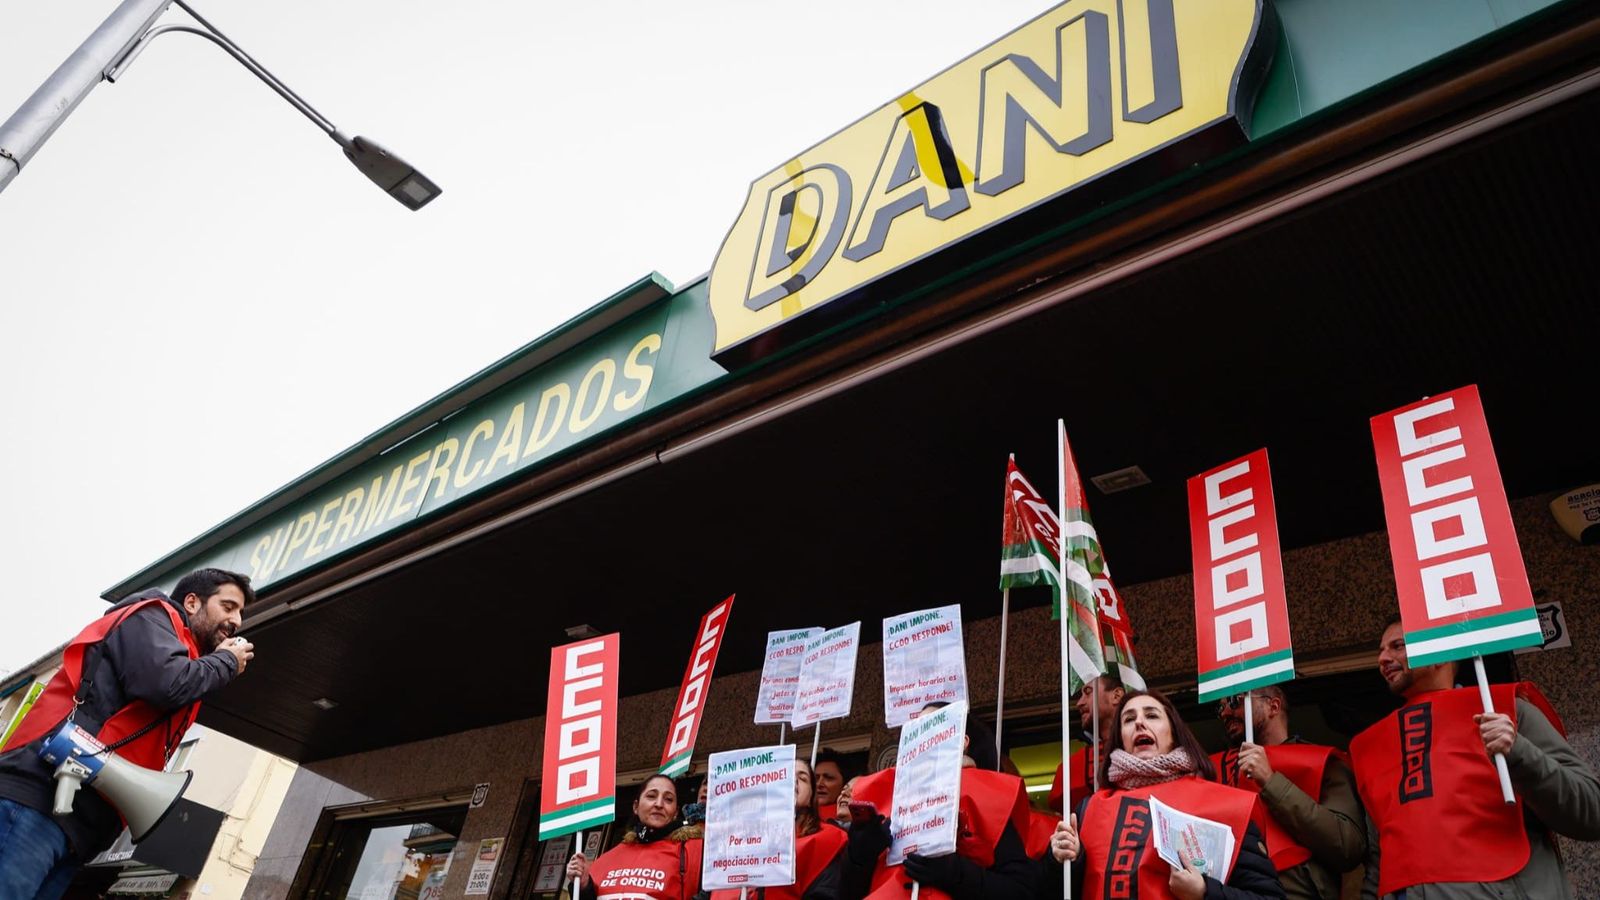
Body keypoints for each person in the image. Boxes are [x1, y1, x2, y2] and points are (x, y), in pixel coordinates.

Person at [0, 568, 256, 900]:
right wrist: (225, 662)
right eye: (228, 606)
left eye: (239, 612)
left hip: (74, 821)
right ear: (192, 602)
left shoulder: (184, 650)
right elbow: (168, 684)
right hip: (39, 798)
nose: (236, 620)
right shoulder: (152, 616)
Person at [1352, 620, 1600, 899]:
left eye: (1398, 646)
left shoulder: (1504, 709)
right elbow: (1379, 857)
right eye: (1382, 650)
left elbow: (1591, 811)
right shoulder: (1370, 745)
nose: (1383, 658)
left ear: (1440, 655)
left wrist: (1518, 752)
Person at [1050, 690, 1285, 900]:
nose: (1140, 723)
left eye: (1152, 715)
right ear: (1120, 738)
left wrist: (1204, 891)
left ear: (1174, 734)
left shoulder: (1222, 805)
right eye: (1129, 719)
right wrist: (1063, 863)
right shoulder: (1088, 810)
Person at [841, 704, 1035, 900]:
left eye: (929, 725)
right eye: (914, 727)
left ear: (962, 741)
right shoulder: (885, 800)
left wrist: (958, 874)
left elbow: (1021, 891)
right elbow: (847, 893)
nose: (918, 735)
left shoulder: (987, 798)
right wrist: (858, 856)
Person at [1210, 686, 1364, 899]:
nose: (1226, 713)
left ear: (1273, 706)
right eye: (1221, 707)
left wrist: (1271, 782)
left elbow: (1348, 847)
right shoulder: (1211, 769)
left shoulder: (1322, 762)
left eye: (1235, 701)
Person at [709, 758, 847, 900]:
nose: (793, 781)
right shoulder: (734, 841)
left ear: (811, 797)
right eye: (785, 775)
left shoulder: (827, 840)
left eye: (802, 778)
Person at [567, 774, 704, 900]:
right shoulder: (609, 857)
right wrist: (583, 885)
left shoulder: (694, 851)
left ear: (675, 813)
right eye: (651, 796)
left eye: (668, 799)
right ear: (636, 806)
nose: (659, 804)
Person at [1047, 673, 1124, 813]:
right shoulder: (1073, 767)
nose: (1079, 703)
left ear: (1117, 696)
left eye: (1088, 692)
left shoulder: (1151, 752)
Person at [815, 749, 852, 814]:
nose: (819, 784)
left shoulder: (851, 817)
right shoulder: (795, 817)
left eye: (829, 778)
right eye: (815, 778)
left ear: (844, 784)